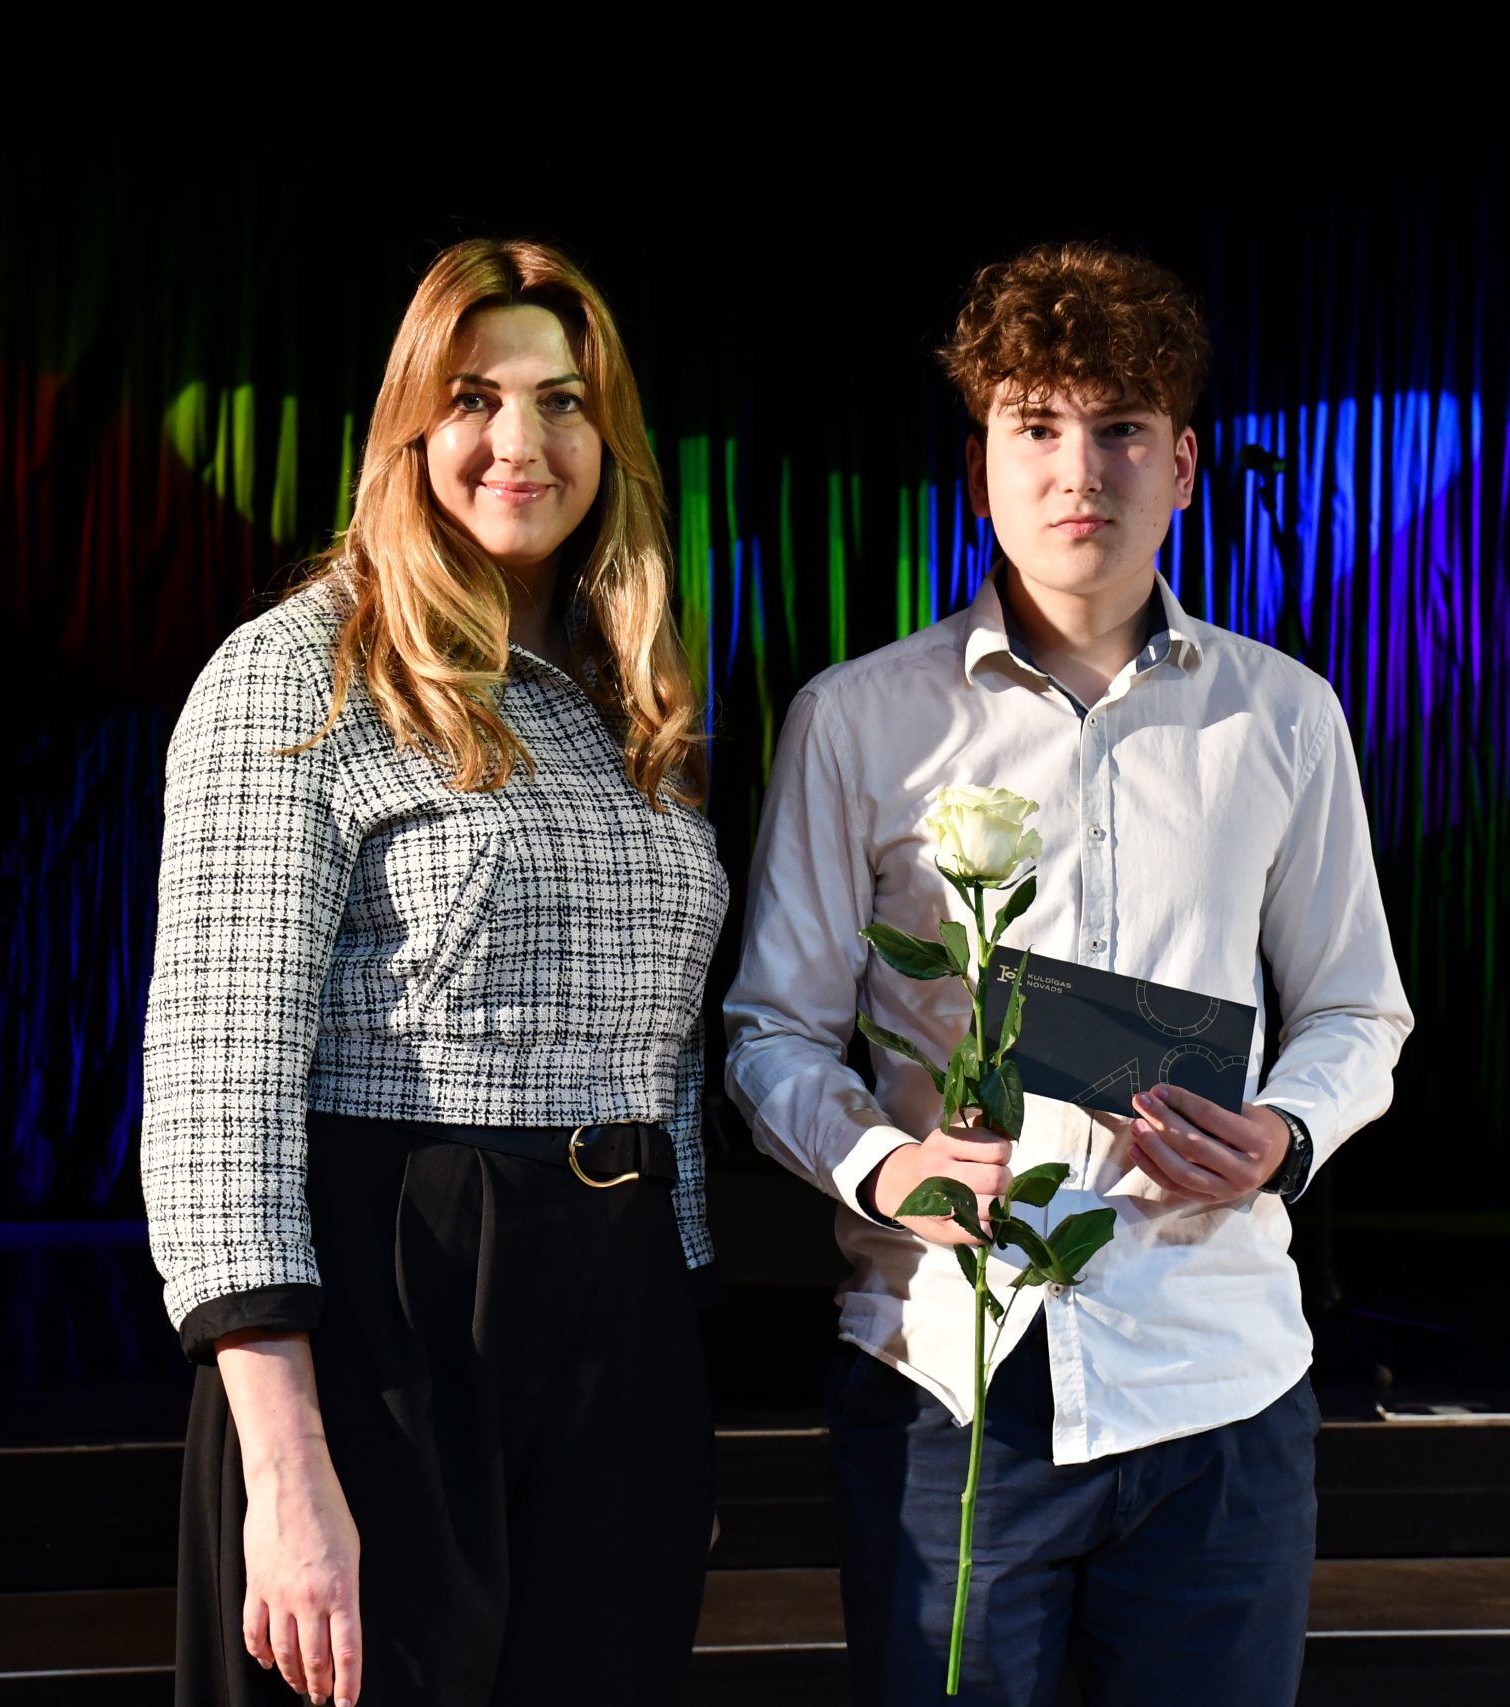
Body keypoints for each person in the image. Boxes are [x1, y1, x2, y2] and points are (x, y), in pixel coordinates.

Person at [723, 241, 1414, 1707]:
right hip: (947, 1376)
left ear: (1184, 465)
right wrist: (890, 1166)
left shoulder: (1284, 716)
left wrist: (1286, 1133)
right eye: (1035, 426)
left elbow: (1359, 1007)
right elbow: (772, 1031)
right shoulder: (856, 720)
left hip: (1217, 1378)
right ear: (981, 469)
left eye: (1120, 428)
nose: (1077, 469)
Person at [143, 237, 724, 1707]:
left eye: (564, 401)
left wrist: (668, 1398)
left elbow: (664, 1059)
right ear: (409, 428)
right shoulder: (298, 671)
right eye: (475, 398)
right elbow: (215, 1099)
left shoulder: (628, 696)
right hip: (390, 1313)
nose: (522, 441)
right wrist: (289, 1476)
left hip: (618, 1320)